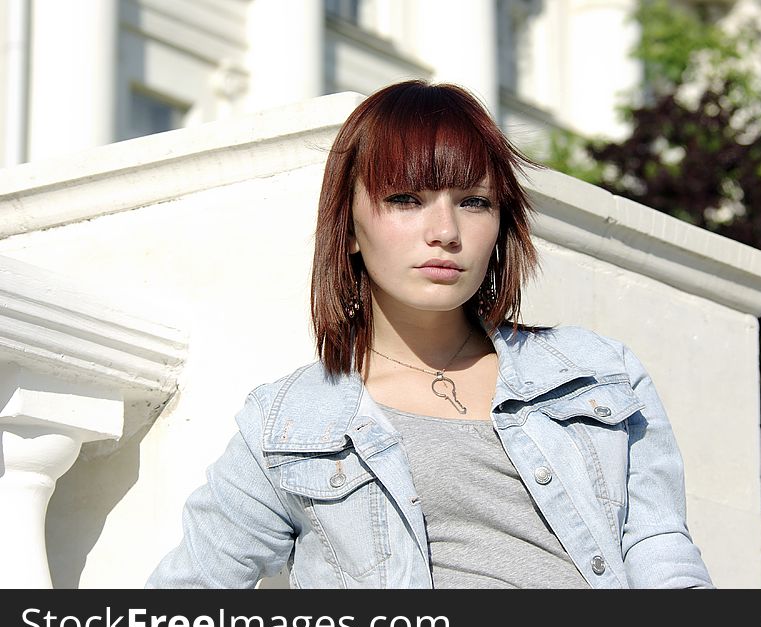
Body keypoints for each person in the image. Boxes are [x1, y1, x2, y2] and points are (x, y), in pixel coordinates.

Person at [146, 79, 714, 589]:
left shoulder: (596, 373)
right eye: (405, 200)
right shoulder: (288, 425)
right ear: (348, 228)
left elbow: (659, 550)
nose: (445, 232)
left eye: (473, 202)